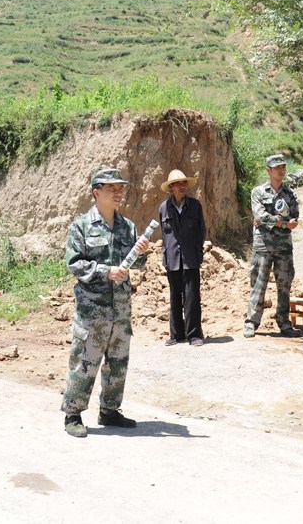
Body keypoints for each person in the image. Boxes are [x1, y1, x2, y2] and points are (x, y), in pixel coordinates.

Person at [61, 168, 150, 438]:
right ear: (96, 192)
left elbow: (137, 264)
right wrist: (105, 271)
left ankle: (110, 410)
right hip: (93, 309)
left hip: (120, 307)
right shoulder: (81, 226)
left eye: (121, 188)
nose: (118, 193)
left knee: (118, 361)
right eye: (112, 189)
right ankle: (73, 414)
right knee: (84, 360)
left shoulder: (127, 227)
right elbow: (74, 264)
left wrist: (141, 252)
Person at [244, 154, 299, 338]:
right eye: (277, 168)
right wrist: (283, 223)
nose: (281, 170)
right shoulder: (258, 192)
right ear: (268, 170)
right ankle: (251, 322)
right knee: (258, 285)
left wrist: (270, 221)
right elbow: (259, 215)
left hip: (284, 247)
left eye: (283, 167)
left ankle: (284, 323)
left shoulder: (290, 194)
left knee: (284, 287)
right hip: (263, 246)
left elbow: (294, 218)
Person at [158, 169, 206, 347]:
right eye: (177, 184)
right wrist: (166, 253)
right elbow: (165, 235)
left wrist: (197, 251)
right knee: (174, 297)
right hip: (172, 258)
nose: (181, 187)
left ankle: (194, 335)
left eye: (183, 183)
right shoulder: (164, 208)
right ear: (171, 187)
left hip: (190, 257)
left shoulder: (195, 206)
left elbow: (201, 231)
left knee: (192, 297)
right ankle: (176, 335)